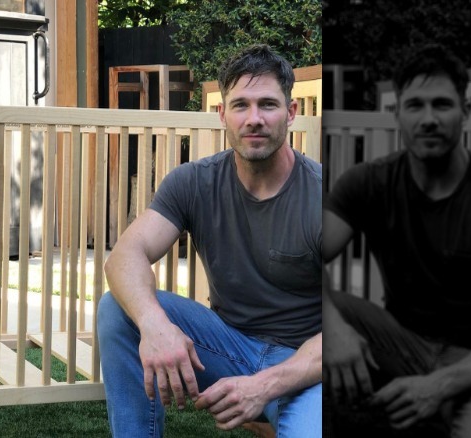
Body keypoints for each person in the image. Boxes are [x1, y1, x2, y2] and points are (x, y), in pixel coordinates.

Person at [97, 44, 322, 437]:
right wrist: (155, 325)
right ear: (222, 115)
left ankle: (277, 412)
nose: (254, 119)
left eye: (268, 105)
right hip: (227, 347)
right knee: (117, 307)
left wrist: (263, 387)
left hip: (307, 365)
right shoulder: (193, 182)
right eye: (240, 105)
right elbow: (125, 256)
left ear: (291, 113)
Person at [322, 44, 471, 437]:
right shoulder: (368, 182)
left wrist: (438, 387)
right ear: (397, 113)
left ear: (465, 112)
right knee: (318, 310)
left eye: (442, 105)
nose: (429, 119)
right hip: (401, 342)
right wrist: (333, 331)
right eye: (415, 105)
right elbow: (304, 255)